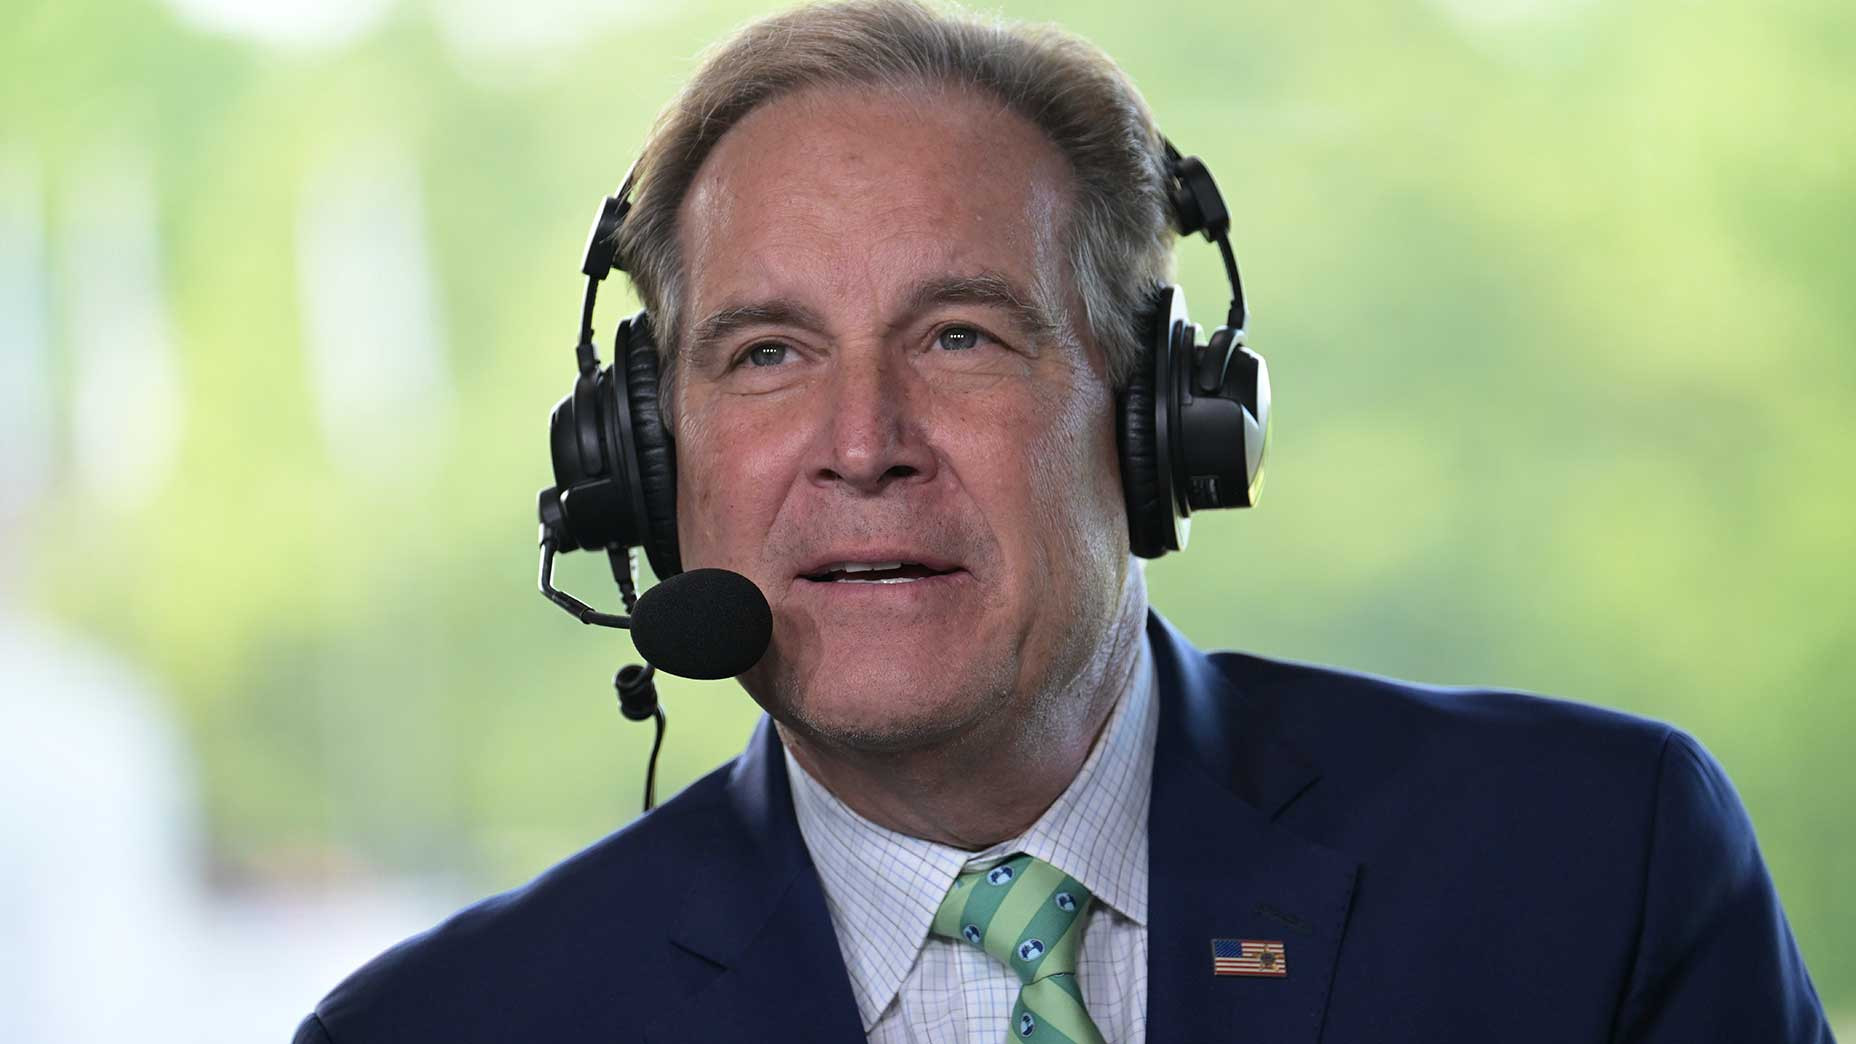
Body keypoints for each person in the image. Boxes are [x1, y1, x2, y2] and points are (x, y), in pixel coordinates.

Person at [293, 2, 1832, 1041]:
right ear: (645, 459)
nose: (862, 445)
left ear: (1158, 418)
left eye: (961, 335)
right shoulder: (449, 1027)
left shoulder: (1596, 870)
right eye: (766, 357)